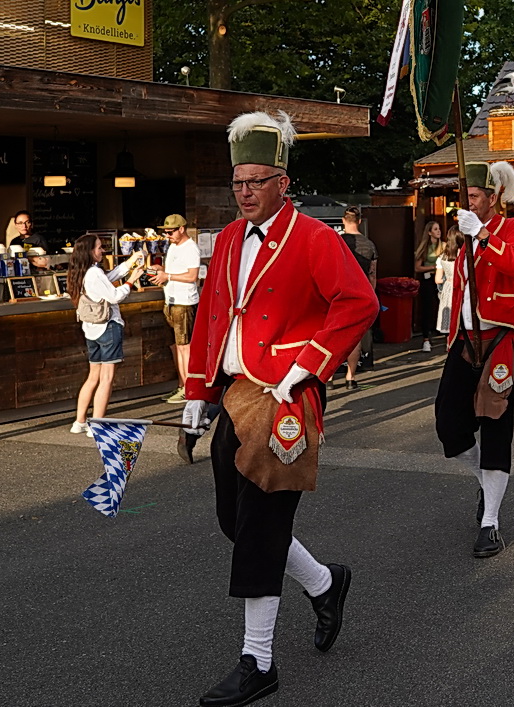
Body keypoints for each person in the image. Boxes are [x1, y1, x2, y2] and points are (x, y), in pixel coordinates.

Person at [180, 111, 375, 704]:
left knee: (261, 529)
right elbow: (212, 317)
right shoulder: (228, 239)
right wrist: (196, 395)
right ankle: (324, 584)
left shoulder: (315, 238)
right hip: (235, 394)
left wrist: (308, 363)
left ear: (282, 182)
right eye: (238, 182)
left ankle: (257, 661)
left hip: (284, 398)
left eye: (256, 181)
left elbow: (358, 302)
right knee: (233, 522)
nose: (244, 193)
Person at [435, 160, 514, 558]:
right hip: (466, 341)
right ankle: (485, 479)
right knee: (448, 424)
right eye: (466, 196)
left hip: (502, 341)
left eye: (474, 196)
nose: (467, 203)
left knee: (495, 427)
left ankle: (490, 521)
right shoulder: (465, 237)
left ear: (493, 198)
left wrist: (486, 235)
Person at [68, 233, 134, 435]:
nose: (102, 250)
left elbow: (108, 279)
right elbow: (114, 296)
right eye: (98, 247)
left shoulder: (81, 272)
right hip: (108, 326)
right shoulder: (94, 273)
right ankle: (97, 424)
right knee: (106, 378)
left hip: (91, 328)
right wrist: (131, 281)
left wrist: (129, 263)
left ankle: (79, 422)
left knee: (93, 377)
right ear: (89, 251)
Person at [151, 213, 204, 404]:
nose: (167, 235)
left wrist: (168, 276)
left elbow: (192, 276)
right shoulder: (173, 246)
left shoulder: (191, 248)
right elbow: (171, 269)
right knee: (177, 347)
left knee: (184, 347)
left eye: (170, 232)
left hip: (184, 302)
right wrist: (160, 270)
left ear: (182, 229)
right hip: (171, 300)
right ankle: (182, 385)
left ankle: (189, 388)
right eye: (165, 232)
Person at [338, 208, 379, 391]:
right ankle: (350, 377)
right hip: (360, 294)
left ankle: (329, 376)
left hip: (338, 293)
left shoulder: (337, 242)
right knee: (354, 338)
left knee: (334, 335)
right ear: (360, 221)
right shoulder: (369, 245)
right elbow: (373, 274)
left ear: (343, 220)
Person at [414, 219, 445, 353]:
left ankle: (445, 336)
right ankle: (426, 339)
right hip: (428, 279)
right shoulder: (425, 247)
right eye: (436, 229)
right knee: (427, 308)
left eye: (439, 229)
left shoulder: (444, 246)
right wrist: (433, 267)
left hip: (442, 280)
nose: (439, 232)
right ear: (429, 232)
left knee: (443, 307)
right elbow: (417, 267)